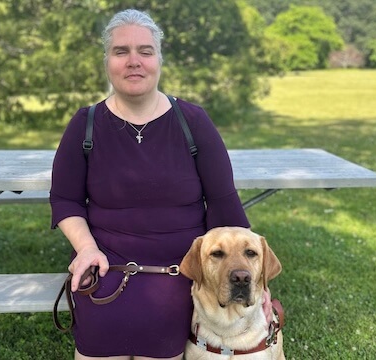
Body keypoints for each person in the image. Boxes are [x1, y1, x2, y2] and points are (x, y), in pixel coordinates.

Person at [50, 8, 257, 359]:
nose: (134, 61)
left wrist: (251, 277)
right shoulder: (84, 124)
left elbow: (224, 205)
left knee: (162, 335)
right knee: (100, 338)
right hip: (106, 267)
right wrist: (86, 249)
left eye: (145, 51)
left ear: (159, 59)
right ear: (107, 61)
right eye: (121, 51)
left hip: (180, 272)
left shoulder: (193, 121)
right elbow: (65, 200)